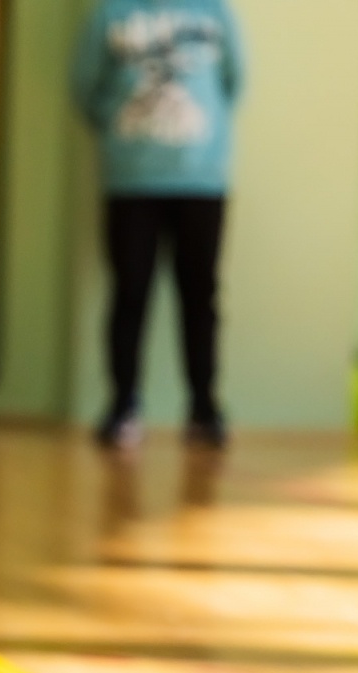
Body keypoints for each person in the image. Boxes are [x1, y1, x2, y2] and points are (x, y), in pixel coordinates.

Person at [72, 0, 245, 449]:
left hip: (202, 181)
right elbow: (85, 88)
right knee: (130, 294)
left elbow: (234, 81)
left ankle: (204, 407)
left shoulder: (215, 13)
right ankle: (124, 404)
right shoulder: (111, 14)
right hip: (131, 181)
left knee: (200, 294)